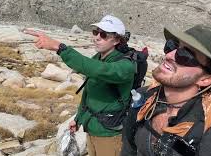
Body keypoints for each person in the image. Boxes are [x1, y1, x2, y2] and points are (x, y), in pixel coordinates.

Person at [24, 15, 136, 156]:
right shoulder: (99, 57)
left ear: (117, 40)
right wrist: (78, 119)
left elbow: (98, 69)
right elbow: (89, 93)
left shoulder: (125, 66)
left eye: (103, 34)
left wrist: (59, 47)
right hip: (92, 128)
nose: (96, 37)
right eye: (96, 32)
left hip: (110, 134)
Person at [121, 24, 211, 156]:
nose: (170, 55)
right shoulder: (144, 98)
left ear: (206, 79)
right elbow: (128, 148)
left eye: (185, 54)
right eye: (173, 46)